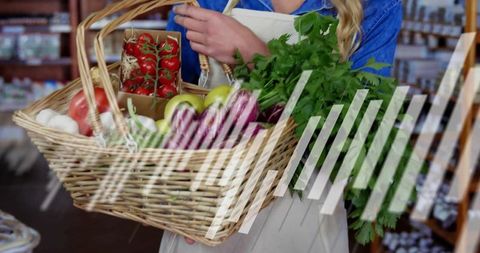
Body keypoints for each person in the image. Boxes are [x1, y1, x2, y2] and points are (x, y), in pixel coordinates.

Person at [160, 0, 402, 252]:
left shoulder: (376, 7)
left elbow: (358, 136)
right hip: (208, 213)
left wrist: (254, 54)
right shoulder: (207, 2)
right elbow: (166, 113)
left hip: (305, 224)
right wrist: (176, 195)